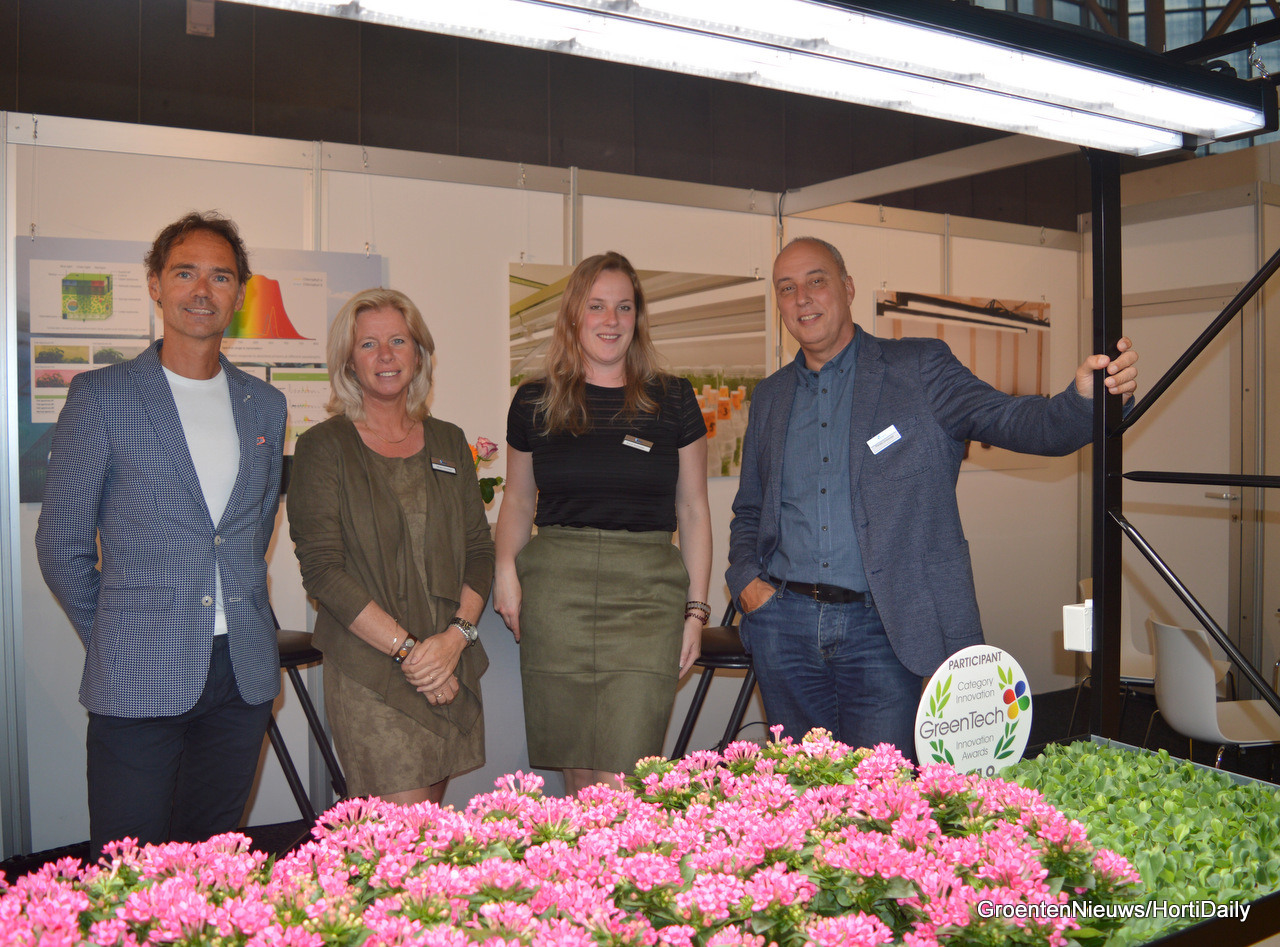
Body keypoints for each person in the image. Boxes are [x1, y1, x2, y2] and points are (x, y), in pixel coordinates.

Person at [727, 236, 1140, 757]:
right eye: (787, 288)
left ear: (847, 288)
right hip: (784, 629)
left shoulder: (918, 368)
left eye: (816, 281)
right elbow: (750, 508)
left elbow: (1015, 420)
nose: (802, 298)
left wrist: (1083, 402)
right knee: (802, 786)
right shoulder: (771, 396)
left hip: (886, 630)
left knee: (885, 793)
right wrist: (747, 583)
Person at [35, 211, 288, 858]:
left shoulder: (265, 404)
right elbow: (61, 544)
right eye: (184, 273)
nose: (202, 290)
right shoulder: (102, 396)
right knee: (132, 871)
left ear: (239, 293)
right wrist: (117, 634)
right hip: (138, 672)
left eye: (220, 277)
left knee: (212, 865)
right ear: (155, 284)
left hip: (241, 677)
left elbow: (251, 532)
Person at [494, 251, 712, 794]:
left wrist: (696, 612)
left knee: (624, 773)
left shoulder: (674, 398)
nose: (611, 320)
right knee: (577, 769)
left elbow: (693, 509)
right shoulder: (535, 401)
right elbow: (518, 501)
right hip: (557, 595)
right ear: (574, 314)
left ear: (638, 316)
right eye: (596, 306)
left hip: (646, 598)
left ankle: (622, 855)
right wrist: (505, 574)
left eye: (624, 307)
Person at [287, 288, 492, 806]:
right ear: (348, 362)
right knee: (402, 837)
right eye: (368, 344)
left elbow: (478, 550)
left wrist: (454, 640)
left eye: (398, 341)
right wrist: (411, 653)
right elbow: (323, 571)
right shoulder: (322, 447)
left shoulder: (449, 441)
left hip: (448, 659)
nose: (385, 355)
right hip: (373, 669)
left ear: (418, 354)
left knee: (431, 835)